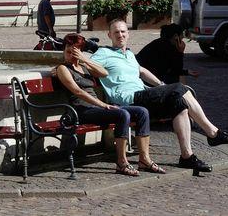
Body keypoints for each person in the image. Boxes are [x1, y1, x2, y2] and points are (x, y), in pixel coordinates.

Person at [93, 20, 228, 172]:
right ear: (109, 35)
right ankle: (212, 133)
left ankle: (187, 156)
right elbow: (84, 64)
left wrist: (162, 86)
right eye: (116, 32)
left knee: (179, 104)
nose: (120, 35)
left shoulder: (129, 54)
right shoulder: (103, 53)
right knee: (179, 88)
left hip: (143, 96)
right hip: (127, 100)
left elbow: (142, 71)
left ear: (128, 34)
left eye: (123, 31)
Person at [54, 33, 160, 176]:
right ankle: (121, 163)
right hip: (80, 111)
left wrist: (85, 60)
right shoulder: (63, 68)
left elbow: (104, 73)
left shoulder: (84, 67)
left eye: (74, 52)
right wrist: (103, 105)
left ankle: (144, 159)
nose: (70, 55)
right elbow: (77, 91)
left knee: (142, 112)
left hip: (95, 108)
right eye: (68, 51)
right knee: (122, 114)